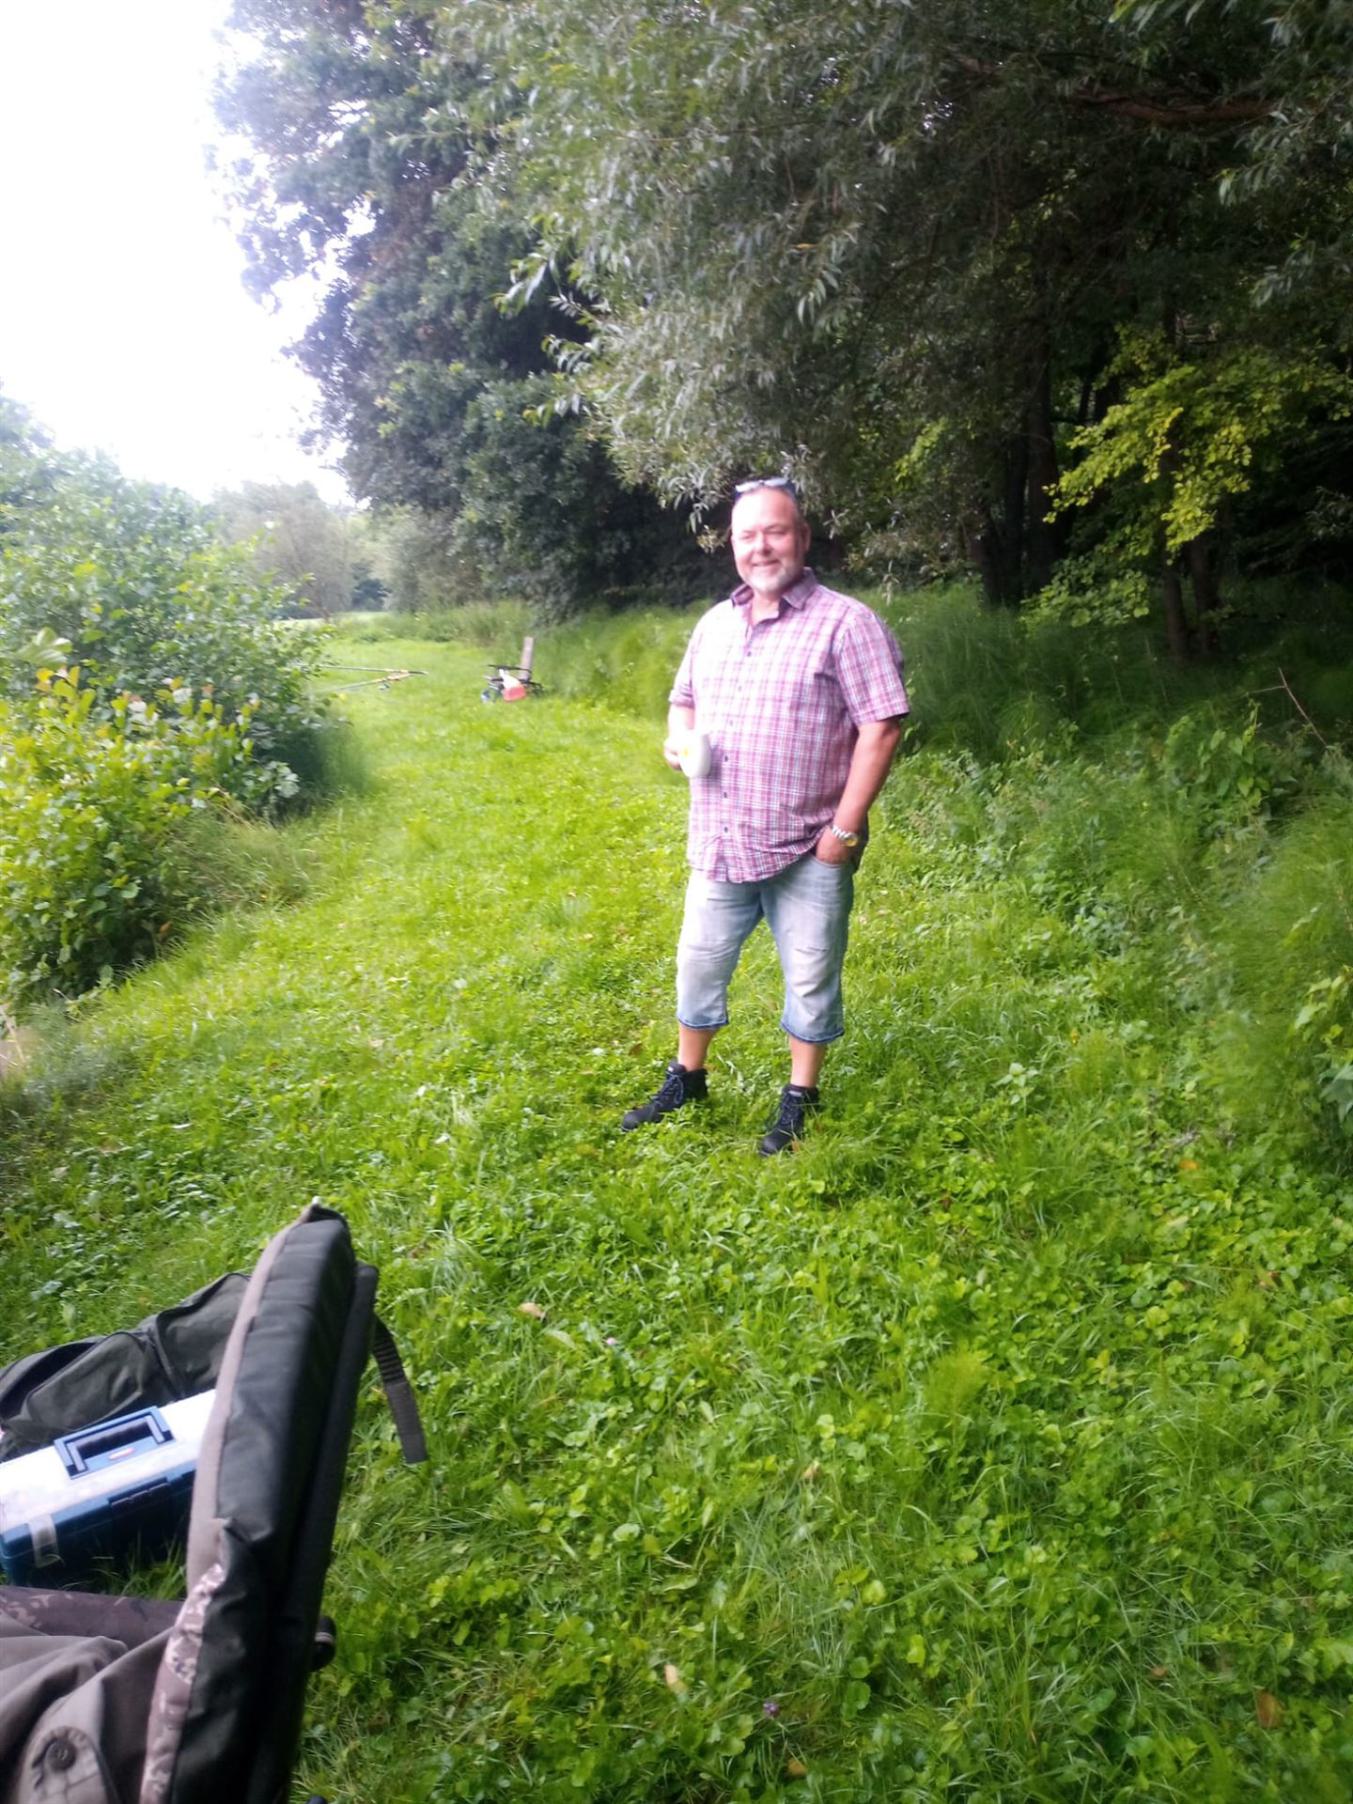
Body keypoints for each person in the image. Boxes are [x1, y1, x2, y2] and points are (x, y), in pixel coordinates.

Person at [622, 477, 909, 1154]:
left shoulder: (847, 623)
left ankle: (800, 1096)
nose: (761, 547)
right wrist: (677, 738)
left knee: (810, 976)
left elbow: (882, 727)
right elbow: (682, 698)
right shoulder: (714, 624)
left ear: (801, 539)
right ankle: (688, 1078)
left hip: (809, 847)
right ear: (732, 545)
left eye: (775, 531)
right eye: (746, 535)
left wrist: (842, 831)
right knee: (698, 965)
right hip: (720, 841)